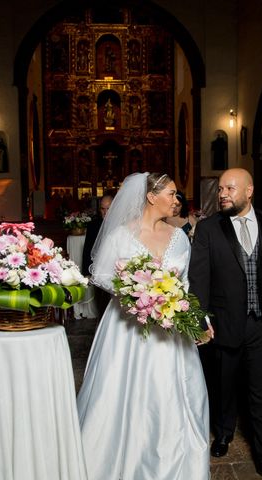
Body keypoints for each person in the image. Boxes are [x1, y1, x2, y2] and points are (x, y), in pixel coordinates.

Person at [77, 172, 213, 479]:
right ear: (151, 197)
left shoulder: (179, 237)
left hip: (170, 328)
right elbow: (98, 274)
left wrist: (198, 317)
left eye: (177, 195)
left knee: (171, 395)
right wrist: (135, 293)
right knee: (123, 395)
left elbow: (186, 282)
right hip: (128, 329)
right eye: (171, 194)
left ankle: (174, 463)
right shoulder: (121, 235)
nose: (177, 200)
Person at [189, 167, 262, 480]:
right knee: (224, 384)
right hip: (225, 323)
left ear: (249, 191)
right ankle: (223, 433)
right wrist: (202, 317)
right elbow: (199, 277)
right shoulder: (209, 229)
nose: (222, 194)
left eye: (229, 189)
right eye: (220, 189)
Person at [81, 194, 113, 276]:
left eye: (108, 208)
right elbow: (87, 251)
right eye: (102, 209)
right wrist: (87, 274)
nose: (105, 212)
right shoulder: (92, 225)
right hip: (97, 271)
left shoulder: (122, 225)